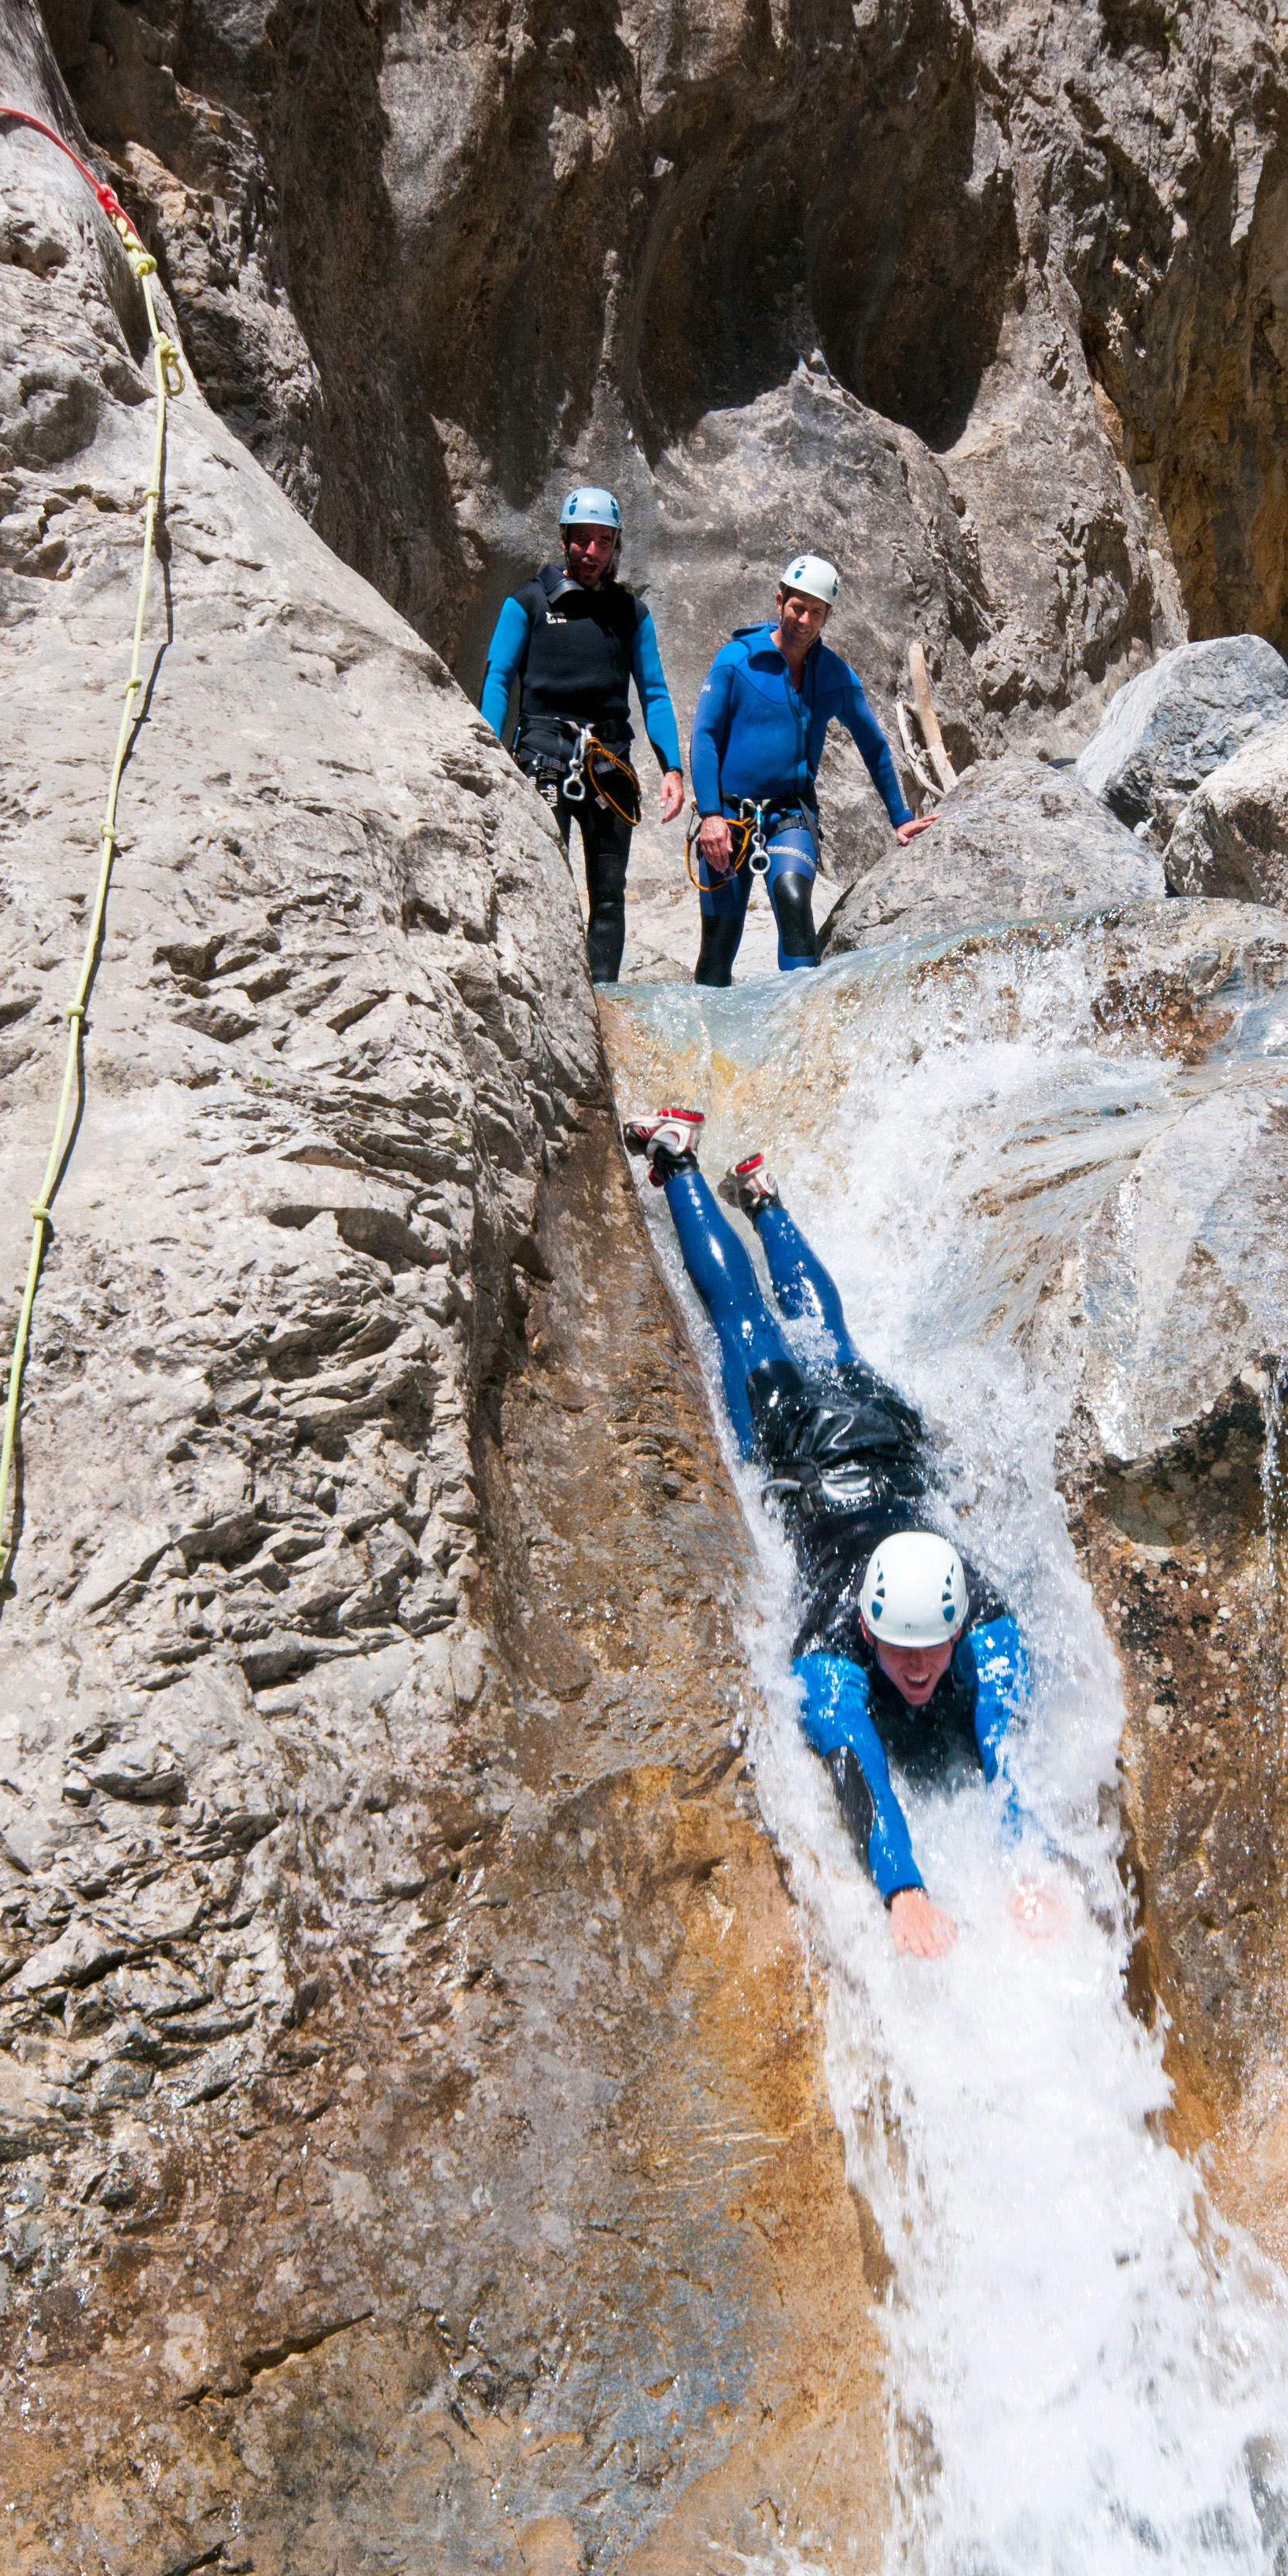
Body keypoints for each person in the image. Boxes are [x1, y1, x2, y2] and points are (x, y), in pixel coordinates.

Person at [620, 1104, 1061, 1960]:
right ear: (865, 1627)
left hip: (884, 1446)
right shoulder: (833, 1641)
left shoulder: (987, 1625)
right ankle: (686, 1165)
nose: (920, 1668)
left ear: (962, 1621)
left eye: (932, 1649)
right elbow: (853, 1758)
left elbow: (1009, 1753)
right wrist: (902, 1889)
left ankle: (762, 1195)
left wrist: (1033, 1862)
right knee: (746, 1323)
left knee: (830, 1339)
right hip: (806, 1451)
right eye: (899, 1653)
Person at [686, 554, 932, 986]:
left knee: (793, 897)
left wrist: (901, 819)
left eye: (816, 612)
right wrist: (709, 816)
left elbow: (874, 745)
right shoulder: (737, 660)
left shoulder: (833, 674)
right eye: (798, 607)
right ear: (780, 601)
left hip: (790, 813)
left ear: (827, 616)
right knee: (720, 938)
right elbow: (704, 735)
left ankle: (803, 1023)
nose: (805, 619)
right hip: (726, 816)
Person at [480, 487, 684, 982]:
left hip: (610, 762)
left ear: (615, 545)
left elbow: (654, 691)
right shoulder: (527, 602)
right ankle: (551, 990)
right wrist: (486, 747)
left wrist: (672, 766)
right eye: (583, 540)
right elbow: (498, 678)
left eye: (604, 541)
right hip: (542, 755)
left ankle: (603, 998)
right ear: (564, 539)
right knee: (546, 883)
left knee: (610, 896)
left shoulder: (629, 613)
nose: (592, 552)